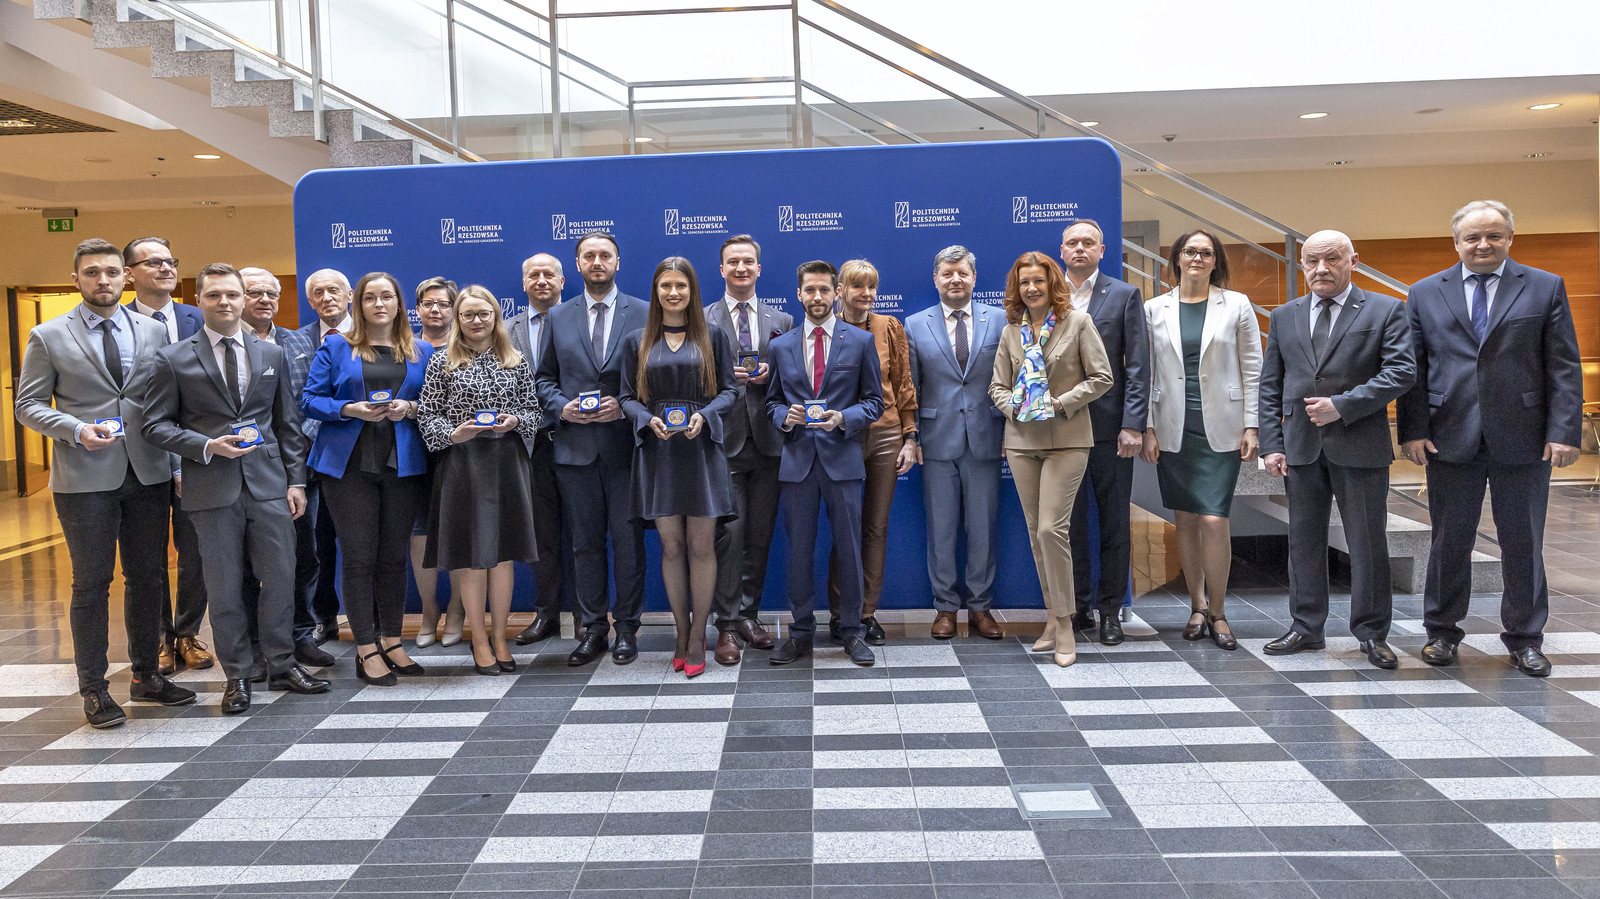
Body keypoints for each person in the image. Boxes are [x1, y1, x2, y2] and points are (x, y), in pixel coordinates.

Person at [1396, 199, 1583, 677]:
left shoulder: (1544, 286)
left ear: (1509, 239)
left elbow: (1563, 365)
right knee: (1448, 541)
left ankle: (1525, 639)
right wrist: (1412, 430)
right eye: (1473, 237)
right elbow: (1414, 368)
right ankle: (1441, 632)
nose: (1483, 244)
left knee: (1523, 541)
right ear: (1456, 242)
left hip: (1524, 437)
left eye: (1494, 235)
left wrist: (1564, 431)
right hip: (1448, 435)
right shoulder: (1424, 292)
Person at [15, 238, 196, 727]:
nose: (103, 280)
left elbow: (163, 405)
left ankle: (147, 676)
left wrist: (177, 466)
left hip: (149, 471)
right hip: (85, 478)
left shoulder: (153, 331)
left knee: (149, 577)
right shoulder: (48, 335)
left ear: (126, 276)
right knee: (92, 583)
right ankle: (94, 688)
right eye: (92, 272)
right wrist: (75, 429)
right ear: (76, 279)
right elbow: (27, 405)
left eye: (112, 272)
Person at [141, 262, 330, 714]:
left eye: (231, 294)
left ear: (244, 300)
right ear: (199, 301)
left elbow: (287, 425)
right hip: (211, 487)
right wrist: (206, 445)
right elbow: (154, 425)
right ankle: (238, 675)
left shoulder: (272, 355)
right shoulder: (174, 358)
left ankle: (282, 664)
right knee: (224, 588)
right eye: (213, 295)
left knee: (281, 578)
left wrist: (296, 481)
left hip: (269, 486)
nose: (224, 302)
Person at [1259, 231, 1415, 670]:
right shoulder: (1284, 315)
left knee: (1367, 543)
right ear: (1301, 265)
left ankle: (1372, 633)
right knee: (1303, 541)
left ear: (1353, 261)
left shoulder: (1385, 309)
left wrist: (1342, 406)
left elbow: (1401, 371)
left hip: (1359, 444)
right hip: (1301, 447)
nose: (1321, 269)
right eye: (1312, 261)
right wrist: (1271, 444)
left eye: (1332, 259)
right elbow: (1270, 384)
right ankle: (1306, 627)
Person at [303, 272, 434, 686]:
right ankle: (365, 648)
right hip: (349, 466)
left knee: (393, 557)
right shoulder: (336, 346)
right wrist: (348, 409)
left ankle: (392, 640)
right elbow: (310, 400)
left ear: (399, 304)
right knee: (359, 558)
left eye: (387, 297)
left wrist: (409, 409)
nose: (379, 304)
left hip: (402, 464)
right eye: (370, 298)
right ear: (358, 304)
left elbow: (435, 402)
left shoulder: (422, 350)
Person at [988, 252, 1113, 668]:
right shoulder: (1011, 331)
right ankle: (1052, 617)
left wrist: (1059, 403)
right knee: (1036, 535)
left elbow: (1102, 377)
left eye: (1039, 281)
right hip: (1022, 441)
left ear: (1052, 283)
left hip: (1068, 439)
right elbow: (997, 386)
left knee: (1051, 530)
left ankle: (1065, 625)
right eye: (1024, 282)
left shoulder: (1078, 322)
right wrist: (1015, 406)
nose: (1032, 288)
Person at [1142, 229, 1262, 652]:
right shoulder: (1153, 308)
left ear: (1216, 261)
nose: (1197, 258)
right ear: (1176, 258)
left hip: (1223, 425)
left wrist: (1253, 425)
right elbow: (1146, 372)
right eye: (1190, 251)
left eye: (1206, 253)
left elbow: (1253, 367)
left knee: (1213, 518)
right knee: (1186, 519)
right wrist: (1148, 427)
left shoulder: (1237, 305)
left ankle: (1219, 611)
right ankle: (1196, 606)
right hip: (1173, 424)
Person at [534, 231, 649, 666]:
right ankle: (593, 628)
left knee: (628, 543)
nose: (597, 262)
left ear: (618, 262)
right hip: (574, 449)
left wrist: (624, 406)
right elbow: (544, 379)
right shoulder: (558, 316)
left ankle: (627, 628)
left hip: (625, 449)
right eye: (589, 256)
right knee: (584, 545)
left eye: (605, 255)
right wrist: (562, 408)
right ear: (578, 264)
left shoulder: (644, 311)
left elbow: (653, 376)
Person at [620, 258, 739, 676]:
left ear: (693, 291)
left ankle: (699, 636)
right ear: (656, 291)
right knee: (671, 547)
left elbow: (730, 391)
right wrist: (645, 419)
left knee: (702, 545)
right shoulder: (637, 340)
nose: (673, 293)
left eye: (681, 286)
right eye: (666, 285)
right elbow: (626, 397)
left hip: (701, 449)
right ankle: (681, 631)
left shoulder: (713, 336)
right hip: (658, 451)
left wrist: (705, 415)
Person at [764, 260, 884, 668]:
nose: (817, 297)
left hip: (843, 460)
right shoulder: (781, 346)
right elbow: (771, 403)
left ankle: (852, 631)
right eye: (810, 290)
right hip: (798, 462)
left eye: (824, 290)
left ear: (837, 293)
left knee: (849, 548)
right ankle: (800, 632)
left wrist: (844, 418)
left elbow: (874, 402)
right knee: (799, 551)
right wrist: (785, 416)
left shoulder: (861, 342)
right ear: (798, 294)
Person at [418, 285, 542, 676]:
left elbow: (533, 410)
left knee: (502, 557)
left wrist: (517, 420)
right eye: (468, 314)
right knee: (472, 558)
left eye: (483, 314)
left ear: (495, 316)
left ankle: (501, 638)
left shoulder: (515, 359)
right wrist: (453, 434)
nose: (476, 321)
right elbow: (427, 415)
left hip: (506, 464)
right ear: (458, 318)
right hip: (462, 464)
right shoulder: (442, 361)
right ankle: (480, 640)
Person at [238, 267, 336, 678]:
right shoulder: (226, 345)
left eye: (271, 293)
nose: (265, 300)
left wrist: (304, 441)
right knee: (247, 563)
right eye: (254, 292)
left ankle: (300, 635)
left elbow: (315, 398)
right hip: (244, 470)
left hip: (298, 468)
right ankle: (254, 645)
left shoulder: (299, 342)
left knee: (303, 555)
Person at [905, 246, 1006, 642]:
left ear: (974, 278)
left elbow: (1011, 378)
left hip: (986, 438)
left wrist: (1010, 431)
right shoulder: (915, 324)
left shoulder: (1000, 320)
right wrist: (912, 437)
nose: (955, 280)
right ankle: (945, 607)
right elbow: (911, 388)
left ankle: (980, 607)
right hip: (935, 440)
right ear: (936, 279)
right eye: (947, 274)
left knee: (983, 528)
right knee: (941, 529)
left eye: (962, 273)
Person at [122, 236, 211, 676]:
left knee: (196, 551)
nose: (165, 268)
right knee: (149, 556)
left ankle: (188, 632)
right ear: (129, 274)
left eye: (169, 261)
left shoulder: (199, 318)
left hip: (199, 453)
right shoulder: (119, 324)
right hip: (143, 457)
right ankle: (158, 637)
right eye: (152, 262)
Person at [1059, 220, 1150, 646]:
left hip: (1111, 431)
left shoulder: (1125, 295)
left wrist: (1133, 424)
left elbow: (1138, 366)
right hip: (1059, 429)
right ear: (1062, 251)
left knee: (1114, 523)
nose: (1080, 248)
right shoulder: (1048, 294)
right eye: (1072, 242)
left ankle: (1110, 611)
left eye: (1088, 242)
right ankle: (1076, 607)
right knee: (1069, 525)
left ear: (1102, 250)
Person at [703, 234, 789, 664]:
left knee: (759, 536)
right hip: (723, 441)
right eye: (733, 262)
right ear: (722, 269)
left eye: (748, 262)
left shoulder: (782, 320)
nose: (741, 268)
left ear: (759, 268)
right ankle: (726, 625)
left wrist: (774, 375)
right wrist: (724, 380)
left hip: (770, 443)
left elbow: (797, 378)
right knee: (729, 537)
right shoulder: (703, 318)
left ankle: (749, 616)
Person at [828, 258, 917, 645]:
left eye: (871, 287)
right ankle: (839, 614)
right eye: (857, 286)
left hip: (886, 436)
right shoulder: (826, 330)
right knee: (844, 528)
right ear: (840, 291)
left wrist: (910, 437)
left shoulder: (888, 327)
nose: (866, 294)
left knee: (876, 527)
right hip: (841, 436)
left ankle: (866, 613)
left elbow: (903, 383)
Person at [509, 255, 571, 648]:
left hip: (576, 438)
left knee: (585, 533)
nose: (542, 280)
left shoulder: (580, 321)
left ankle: (587, 615)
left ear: (563, 281)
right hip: (528, 446)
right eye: (534, 274)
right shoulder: (505, 329)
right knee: (542, 536)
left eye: (549, 274)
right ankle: (547, 612)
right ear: (524, 282)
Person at [298, 268, 355, 644]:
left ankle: (371, 621)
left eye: (334, 290)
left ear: (349, 295)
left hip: (360, 453)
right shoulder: (294, 340)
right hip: (312, 458)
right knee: (316, 546)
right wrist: (307, 434)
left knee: (360, 545)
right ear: (310, 300)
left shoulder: (372, 334)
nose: (326, 297)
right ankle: (324, 618)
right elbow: (296, 397)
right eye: (318, 292)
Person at [411, 277, 460, 648]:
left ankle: (457, 609)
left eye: (443, 303)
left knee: (458, 531)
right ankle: (430, 609)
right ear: (417, 309)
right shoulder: (405, 348)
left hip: (457, 453)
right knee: (419, 534)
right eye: (428, 303)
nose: (435, 310)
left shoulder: (467, 347)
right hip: (413, 452)